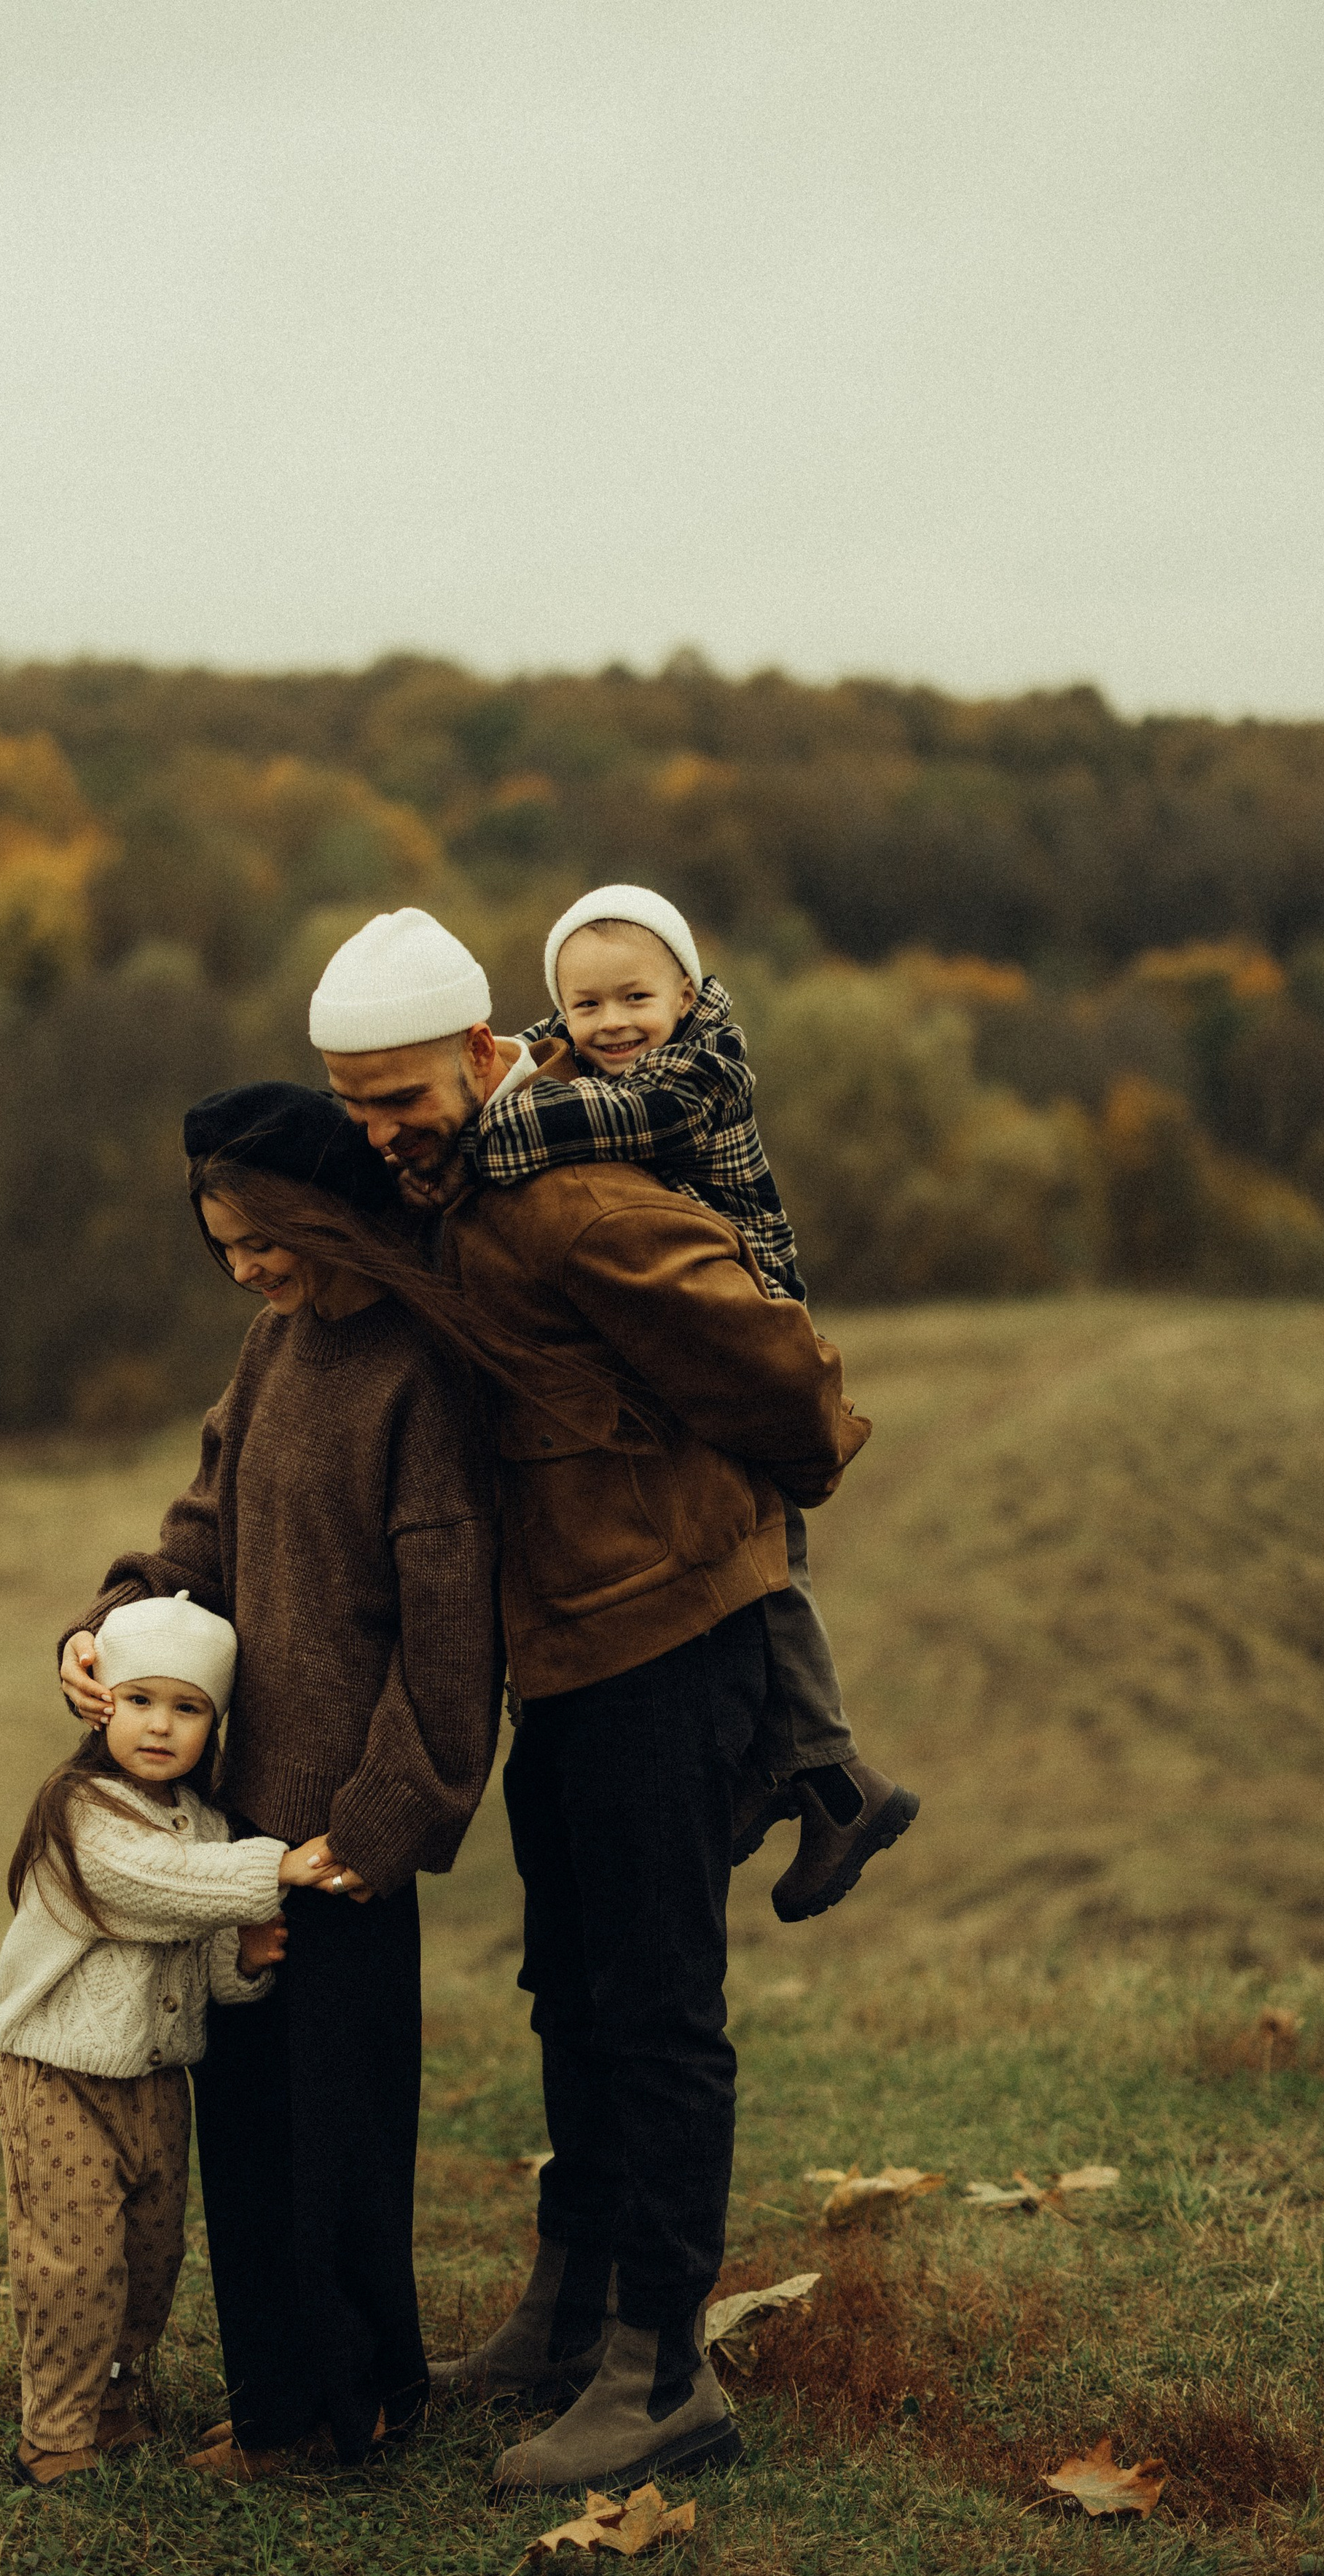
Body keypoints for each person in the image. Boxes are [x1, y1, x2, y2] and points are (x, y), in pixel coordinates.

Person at [308, 906, 870, 2494]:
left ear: (483, 1057)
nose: (379, 1132)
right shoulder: (455, 1188)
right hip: (559, 1659)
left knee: (652, 2010)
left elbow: (783, 1374)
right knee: (571, 1990)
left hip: (664, 1644)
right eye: (354, 1104)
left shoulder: (574, 1204)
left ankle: (659, 2368)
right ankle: (565, 2313)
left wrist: (759, 1493)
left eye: (400, 1098)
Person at [55, 1085, 501, 2478]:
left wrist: (376, 1828)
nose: (245, 1268)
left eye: (260, 1239)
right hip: (237, 1836)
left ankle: (340, 2413)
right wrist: (110, 1621)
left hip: (344, 1846)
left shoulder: (419, 1376)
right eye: (224, 1248)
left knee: (340, 2144)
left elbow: (449, 1642)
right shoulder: (270, 1355)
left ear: (327, 1215)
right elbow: (198, 1536)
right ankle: (291, 2404)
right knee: (249, 2131)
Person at [462, 881, 918, 1921]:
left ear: (687, 990)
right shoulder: (586, 1048)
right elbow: (538, 1067)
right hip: (690, 1307)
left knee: (771, 1554)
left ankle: (838, 1777)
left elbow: (578, 1124)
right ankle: (795, 1771)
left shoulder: (700, 1069)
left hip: (748, 1302)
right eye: (586, 1007)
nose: (611, 1023)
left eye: (635, 998)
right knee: (752, 1544)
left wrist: (486, 1130)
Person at [0, 1588, 332, 2489]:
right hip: (61, 2074)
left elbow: (202, 1959)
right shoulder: (82, 1814)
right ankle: (54, 2432)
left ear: (214, 1725)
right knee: (74, 2258)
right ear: (104, 1704)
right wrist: (279, 1868)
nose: (159, 1726)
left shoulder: (209, 1825)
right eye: (140, 1700)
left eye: (188, 1709)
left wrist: (246, 1959)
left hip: (154, 2083)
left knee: (149, 2254)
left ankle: (113, 2402)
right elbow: (155, 1886)